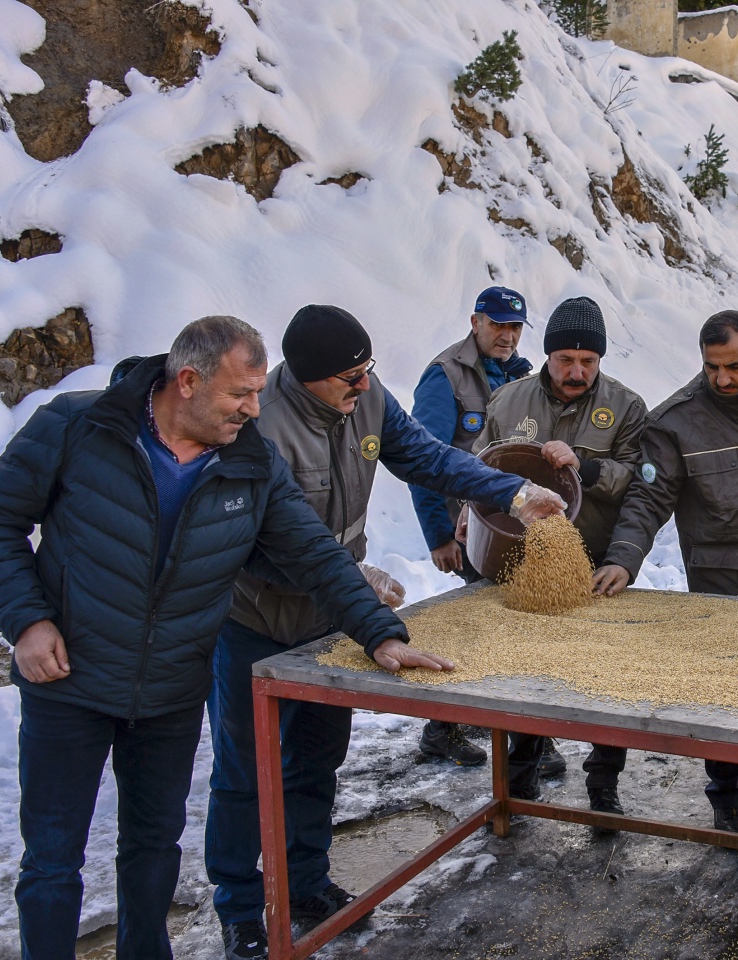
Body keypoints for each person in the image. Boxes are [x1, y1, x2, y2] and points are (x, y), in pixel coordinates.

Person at [0, 316, 451, 960]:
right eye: (240, 395)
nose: (256, 408)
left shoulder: (251, 460)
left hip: (170, 691)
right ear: (187, 382)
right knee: (54, 860)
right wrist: (26, 620)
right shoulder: (76, 426)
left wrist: (379, 634)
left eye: (257, 393)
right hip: (68, 681)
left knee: (152, 848)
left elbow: (313, 553)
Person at [205, 305, 564, 959]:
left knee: (316, 759)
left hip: (332, 619)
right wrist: (350, 573)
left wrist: (511, 492)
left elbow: (427, 456)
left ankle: (307, 882)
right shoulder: (259, 428)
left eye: (367, 370)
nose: (364, 385)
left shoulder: (366, 404)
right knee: (243, 772)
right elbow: (248, 546)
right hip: (255, 623)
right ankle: (238, 907)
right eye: (350, 377)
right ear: (307, 379)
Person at [594, 309, 738, 833]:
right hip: (724, 580)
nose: (721, 379)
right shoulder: (676, 421)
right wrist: (623, 558)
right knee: (727, 691)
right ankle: (728, 796)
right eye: (712, 367)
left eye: (735, 367)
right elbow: (649, 496)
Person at [474, 295, 647, 810]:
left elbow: (641, 480)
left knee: (604, 678)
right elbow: (476, 467)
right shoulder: (508, 402)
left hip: (593, 566)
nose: (576, 371)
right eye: (564, 360)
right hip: (520, 566)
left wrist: (588, 469)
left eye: (588, 362)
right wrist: (466, 509)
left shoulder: (626, 407)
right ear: (546, 355)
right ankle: (515, 788)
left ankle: (602, 787)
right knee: (521, 679)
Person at [411, 286, 535, 767]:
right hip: (463, 530)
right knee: (477, 624)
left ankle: (512, 732)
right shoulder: (445, 377)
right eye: (498, 325)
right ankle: (442, 728)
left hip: (509, 523)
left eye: (515, 328)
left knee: (506, 620)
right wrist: (437, 536)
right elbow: (420, 459)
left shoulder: (521, 374)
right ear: (475, 322)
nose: (507, 336)